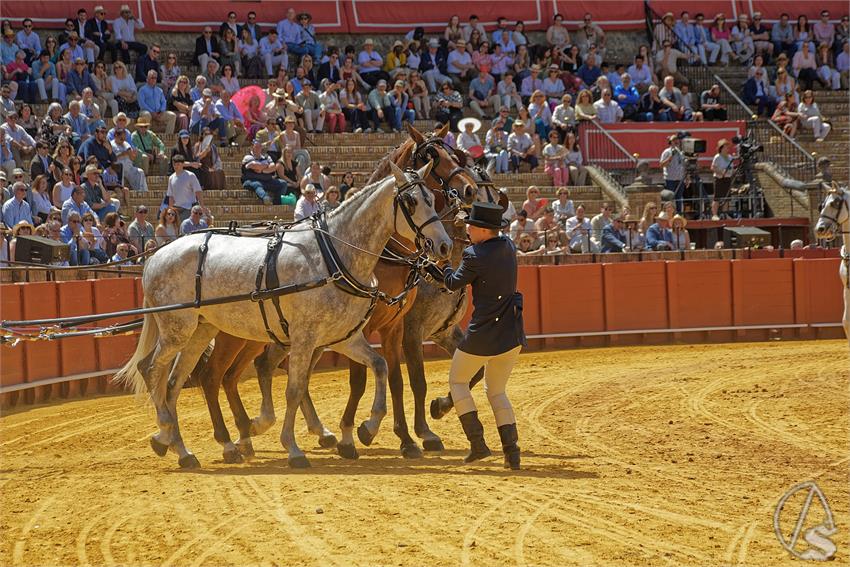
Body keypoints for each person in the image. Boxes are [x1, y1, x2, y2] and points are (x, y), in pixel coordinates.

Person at [433, 202, 525, 469]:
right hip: (511, 332)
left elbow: (452, 283)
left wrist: (442, 266)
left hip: (483, 334)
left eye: (472, 226)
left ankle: (478, 444)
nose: (468, 229)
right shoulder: (508, 246)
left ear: (484, 230)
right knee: (497, 391)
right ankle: (512, 453)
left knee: (458, 382)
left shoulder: (474, 255)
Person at [241, 140, 289, 205]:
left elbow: (273, 167)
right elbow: (255, 165)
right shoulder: (248, 157)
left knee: (283, 183)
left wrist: (262, 170)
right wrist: (266, 165)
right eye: (256, 147)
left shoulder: (266, 156)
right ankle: (266, 198)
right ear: (252, 147)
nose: (258, 148)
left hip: (267, 181)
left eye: (260, 147)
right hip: (252, 180)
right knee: (257, 184)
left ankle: (277, 203)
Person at [138, 69, 176, 135]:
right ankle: (146, 136)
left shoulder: (159, 90)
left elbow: (163, 102)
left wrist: (161, 111)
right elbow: (142, 104)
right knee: (146, 114)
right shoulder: (142, 89)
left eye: (155, 78)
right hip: (146, 111)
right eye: (152, 77)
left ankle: (168, 137)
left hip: (159, 113)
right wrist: (152, 112)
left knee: (172, 115)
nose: (154, 79)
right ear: (147, 79)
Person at [167, 154, 203, 222]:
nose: (176, 166)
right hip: (176, 209)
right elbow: (171, 196)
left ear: (183, 164)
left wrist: (202, 206)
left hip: (188, 208)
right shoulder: (171, 178)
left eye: (178, 164)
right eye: (174, 164)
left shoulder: (190, 175)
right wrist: (170, 209)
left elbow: (198, 191)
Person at [710, 139, 735, 219]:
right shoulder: (717, 157)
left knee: (726, 198)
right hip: (719, 178)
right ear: (722, 147)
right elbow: (713, 167)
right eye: (726, 146)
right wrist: (721, 172)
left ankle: (725, 213)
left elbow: (732, 168)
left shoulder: (730, 157)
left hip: (727, 178)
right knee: (717, 197)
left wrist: (732, 172)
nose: (728, 148)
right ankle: (714, 214)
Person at [660, 134, 685, 211]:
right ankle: (669, 213)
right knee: (670, 198)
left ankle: (679, 214)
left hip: (680, 179)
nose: (676, 141)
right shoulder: (667, 152)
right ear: (670, 142)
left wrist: (686, 178)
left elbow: (683, 165)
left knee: (679, 199)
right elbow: (661, 164)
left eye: (677, 140)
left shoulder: (681, 152)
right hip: (670, 179)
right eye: (674, 140)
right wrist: (669, 158)